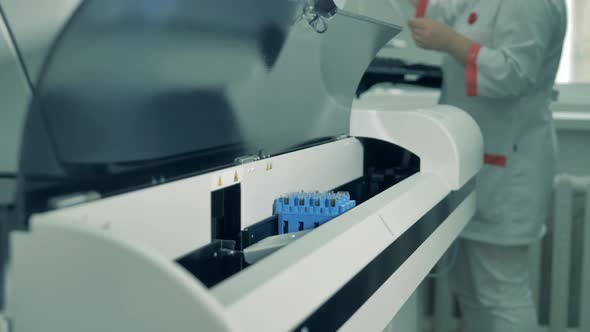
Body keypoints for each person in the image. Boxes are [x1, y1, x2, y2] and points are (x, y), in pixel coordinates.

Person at [406, 0, 567, 331]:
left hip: (509, 167)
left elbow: (516, 73)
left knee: (500, 291)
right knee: (471, 291)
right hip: (479, 161)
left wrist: (452, 42)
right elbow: (444, 13)